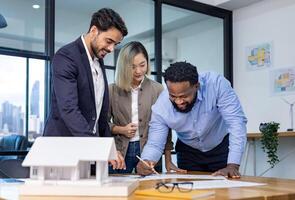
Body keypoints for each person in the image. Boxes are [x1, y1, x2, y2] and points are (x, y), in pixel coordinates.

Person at [43, 8, 128, 170]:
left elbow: (100, 117)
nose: (111, 49)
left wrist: (111, 149)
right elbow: (69, 109)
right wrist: (99, 149)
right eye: (109, 41)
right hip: (62, 151)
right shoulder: (66, 57)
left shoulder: (98, 59)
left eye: (115, 44)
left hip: (88, 153)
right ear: (94, 30)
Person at [137, 61, 247, 178]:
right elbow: (155, 143)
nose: (179, 101)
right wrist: (146, 161)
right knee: (190, 191)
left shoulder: (216, 84)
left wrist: (233, 165)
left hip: (221, 147)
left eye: (184, 96)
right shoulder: (161, 106)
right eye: (173, 96)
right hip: (188, 152)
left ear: (197, 86)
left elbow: (236, 122)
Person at [108, 41, 185, 173]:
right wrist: (120, 129)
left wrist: (168, 160)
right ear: (123, 67)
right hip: (120, 152)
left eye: (142, 65)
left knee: (150, 191)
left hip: (150, 153)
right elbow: (101, 124)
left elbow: (165, 128)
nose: (138, 71)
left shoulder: (158, 89)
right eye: (132, 67)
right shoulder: (112, 90)